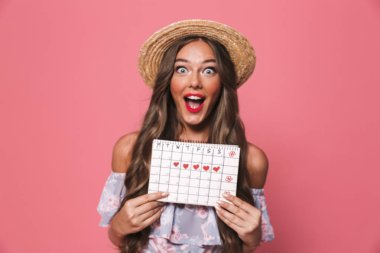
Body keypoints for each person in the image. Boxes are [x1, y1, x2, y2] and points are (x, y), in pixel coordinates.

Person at [97, 19, 275, 253]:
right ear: (168, 81)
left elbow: (240, 248)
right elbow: (121, 241)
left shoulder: (252, 160)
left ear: (222, 83)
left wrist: (252, 238)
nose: (194, 82)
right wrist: (118, 227)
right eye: (182, 69)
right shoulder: (130, 150)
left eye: (209, 70)